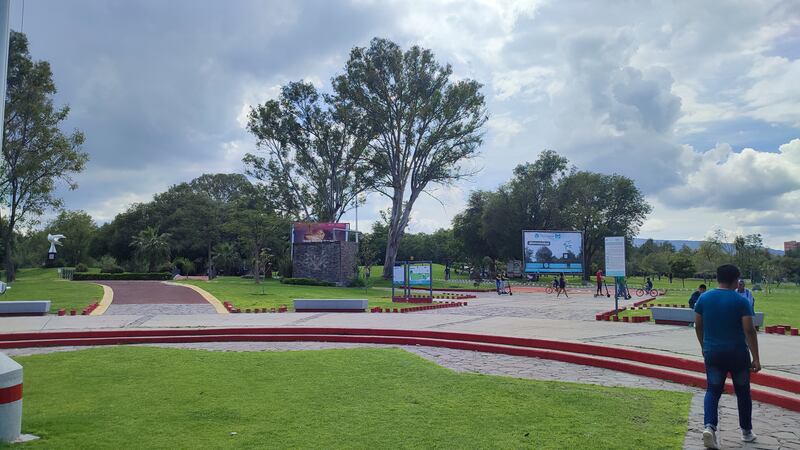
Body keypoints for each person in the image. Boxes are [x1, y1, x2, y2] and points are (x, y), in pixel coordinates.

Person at [693, 264, 760, 449]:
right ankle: (746, 432)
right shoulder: (741, 301)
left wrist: (704, 346)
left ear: (717, 278)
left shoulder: (704, 298)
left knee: (713, 390)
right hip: (738, 354)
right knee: (743, 392)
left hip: (713, 352)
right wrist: (756, 357)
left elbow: (697, 325)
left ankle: (709, 427)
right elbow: (749, 330)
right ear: (736, 279)